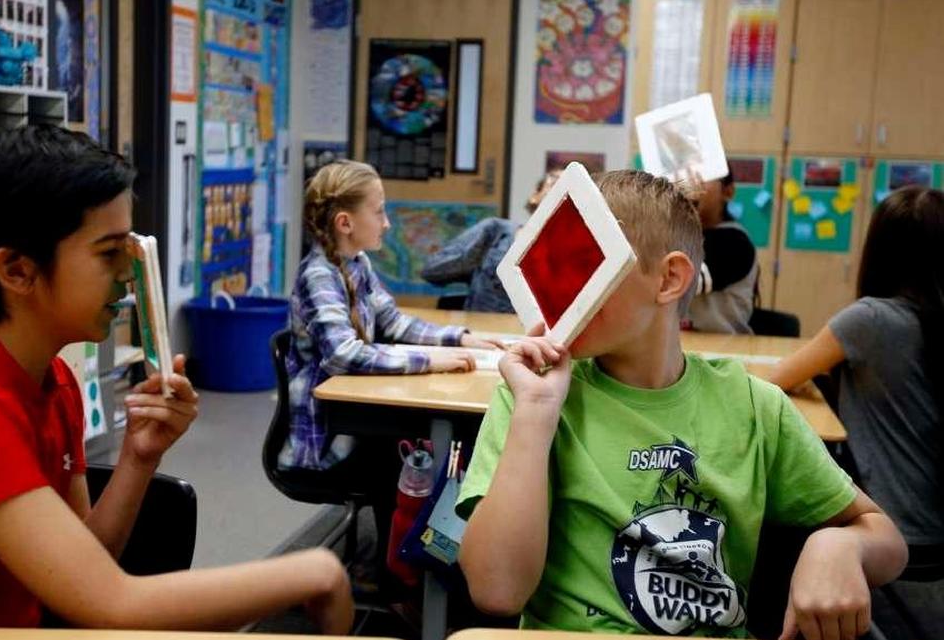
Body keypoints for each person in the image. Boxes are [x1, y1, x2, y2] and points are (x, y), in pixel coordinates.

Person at [0, 126, 354, 632]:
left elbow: (84, 571)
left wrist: (137, 458)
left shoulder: (53, 381)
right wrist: (315, 572)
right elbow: (110, 604)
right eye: (109, 253)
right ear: (17, 270)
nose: (128, 275)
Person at [456, 169, 907, 637]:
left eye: (587, 264)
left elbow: (886, 539)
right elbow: (495, 592)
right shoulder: (530, 393)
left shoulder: (754, 408)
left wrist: (840, 545)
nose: (561, 291)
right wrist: (534, 415)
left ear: (669, 279)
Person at [767, 186, 944, 640]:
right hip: (932, 528)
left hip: (887, 534)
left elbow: (777, 379)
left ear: (878, 250)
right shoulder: (930, 319)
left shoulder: (871, 319)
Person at [284, 159, 502, 472]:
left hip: (353, 412)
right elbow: (343, 355)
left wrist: (460, 338)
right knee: (427, 448)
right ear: (345, 223)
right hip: (326, 433)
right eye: (378, 212)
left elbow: (393, 321)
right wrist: (430, 361)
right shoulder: (319, 276)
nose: (386, 223)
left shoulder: (356, 263)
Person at [420, 169, 561, 313]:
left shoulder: (569, 256)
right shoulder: (495, 231)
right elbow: (431, 271)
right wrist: (475, 252)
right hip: (482, 324)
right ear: (535, 196)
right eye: (556, 181)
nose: (564, 189)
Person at [685, 168, 759, 334]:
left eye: (702, 176)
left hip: (724, 345)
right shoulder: (682, 236)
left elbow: (680, 283)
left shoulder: (735, 242)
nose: (689, 183)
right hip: (685, 343)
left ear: (728, 192)